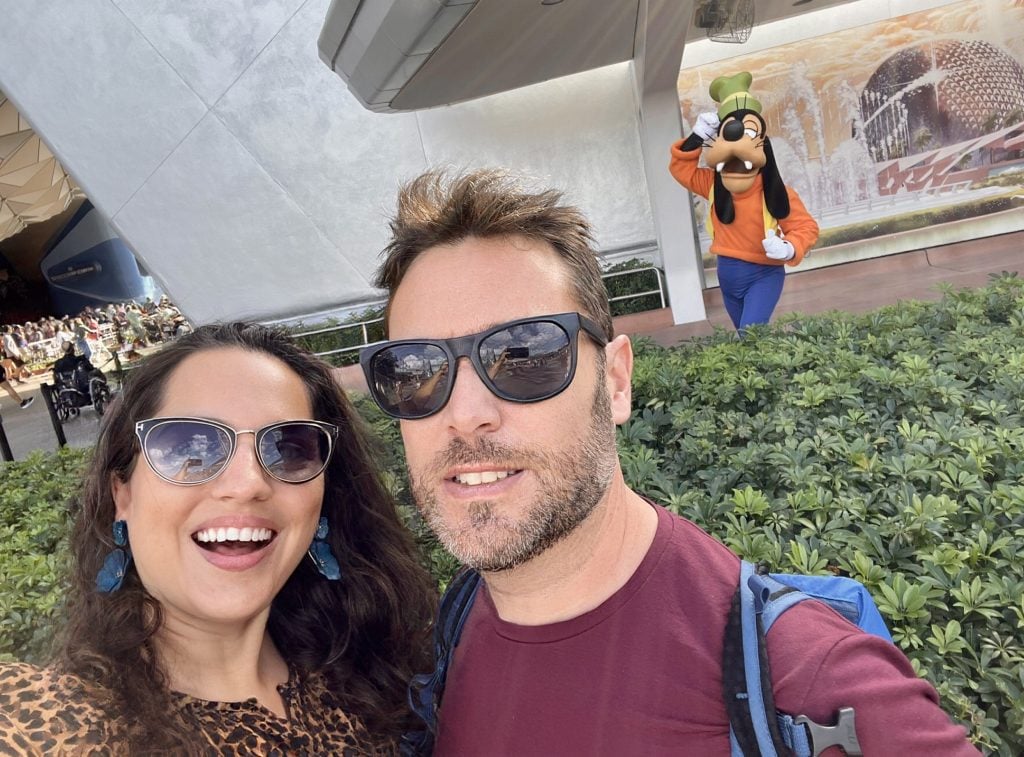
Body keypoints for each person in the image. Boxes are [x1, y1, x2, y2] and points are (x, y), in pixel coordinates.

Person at [360, 169, 980, 754]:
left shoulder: (812, 683)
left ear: (617, 382)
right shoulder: (459, 618)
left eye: (525, 355)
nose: (464, 413)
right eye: (414, 369)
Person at [0, 323, 436, 753]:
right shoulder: (50, 723)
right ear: (123, 495)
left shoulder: (386, 676)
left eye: (289, 447)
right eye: (190, 446)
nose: (248, 483)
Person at [670, 72, 818, 333]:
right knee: (746, 342)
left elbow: (806, 227)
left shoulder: (776, 192)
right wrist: (696, 138)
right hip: (727, 277)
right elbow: (682, 171)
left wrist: (790, 247)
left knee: (750, 336)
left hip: (763, 275)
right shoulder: (715, 186)